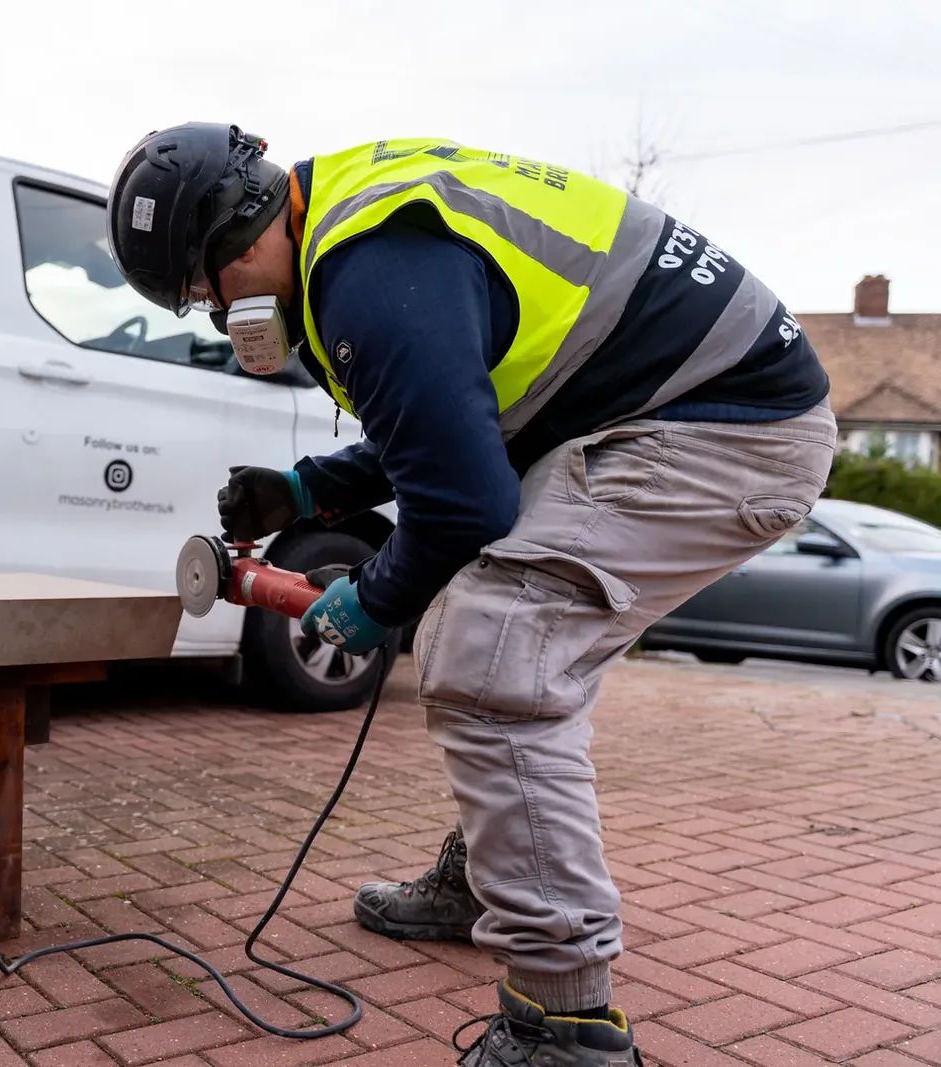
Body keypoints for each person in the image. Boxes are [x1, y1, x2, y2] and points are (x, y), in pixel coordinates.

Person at [104, 123, 835, 1066]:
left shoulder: (364, 274)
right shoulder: (353, 225)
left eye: (207, 286)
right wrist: (306, 489)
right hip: (672, 408)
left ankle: (564, 1022)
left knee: (491, 654)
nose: (216, 310)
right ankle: (495, 877)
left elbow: (462, 498)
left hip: (724, 428)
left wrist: (371, 599)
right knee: (507, 650)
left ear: (242, 229)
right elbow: (445, 417)